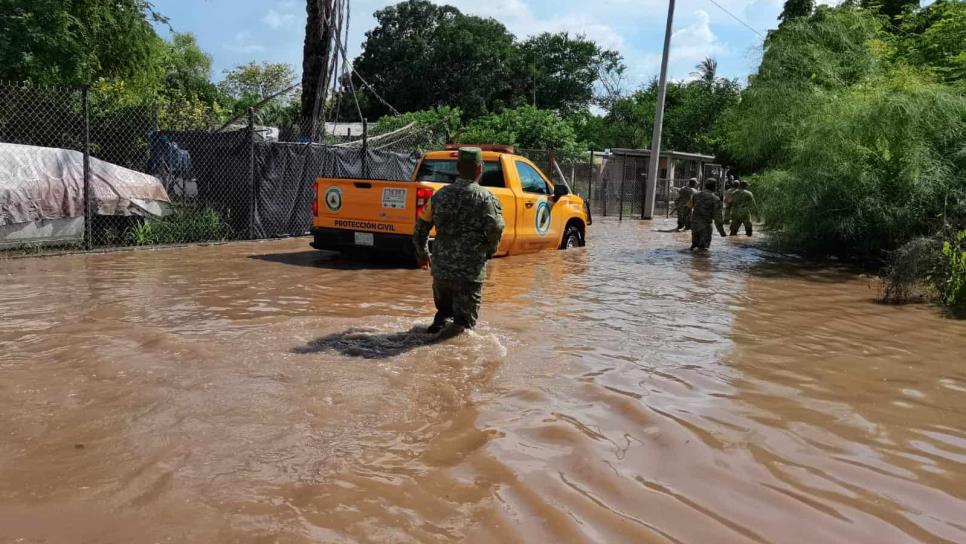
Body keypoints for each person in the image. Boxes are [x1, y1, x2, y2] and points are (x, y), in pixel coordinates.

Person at [413, 147, 506, 334]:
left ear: (457, 167)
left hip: (441, 270)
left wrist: (423, 254)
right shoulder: (486, 199)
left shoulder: (439, 196)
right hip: (469, 273)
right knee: (463, 329)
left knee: (443, 315)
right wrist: (489, 250)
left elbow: (420, 228)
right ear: (480, 168)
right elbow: (496, 228)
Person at [690, 178, 726, 251]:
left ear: (705, 185)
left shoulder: (696, 195)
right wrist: (721, 232)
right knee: (703, 250)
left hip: (694, 224)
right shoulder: (715, 199)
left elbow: (690, 206)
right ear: (714, 187)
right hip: (705, 226)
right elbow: (718, 217)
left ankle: (691, 261)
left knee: (694, 245)